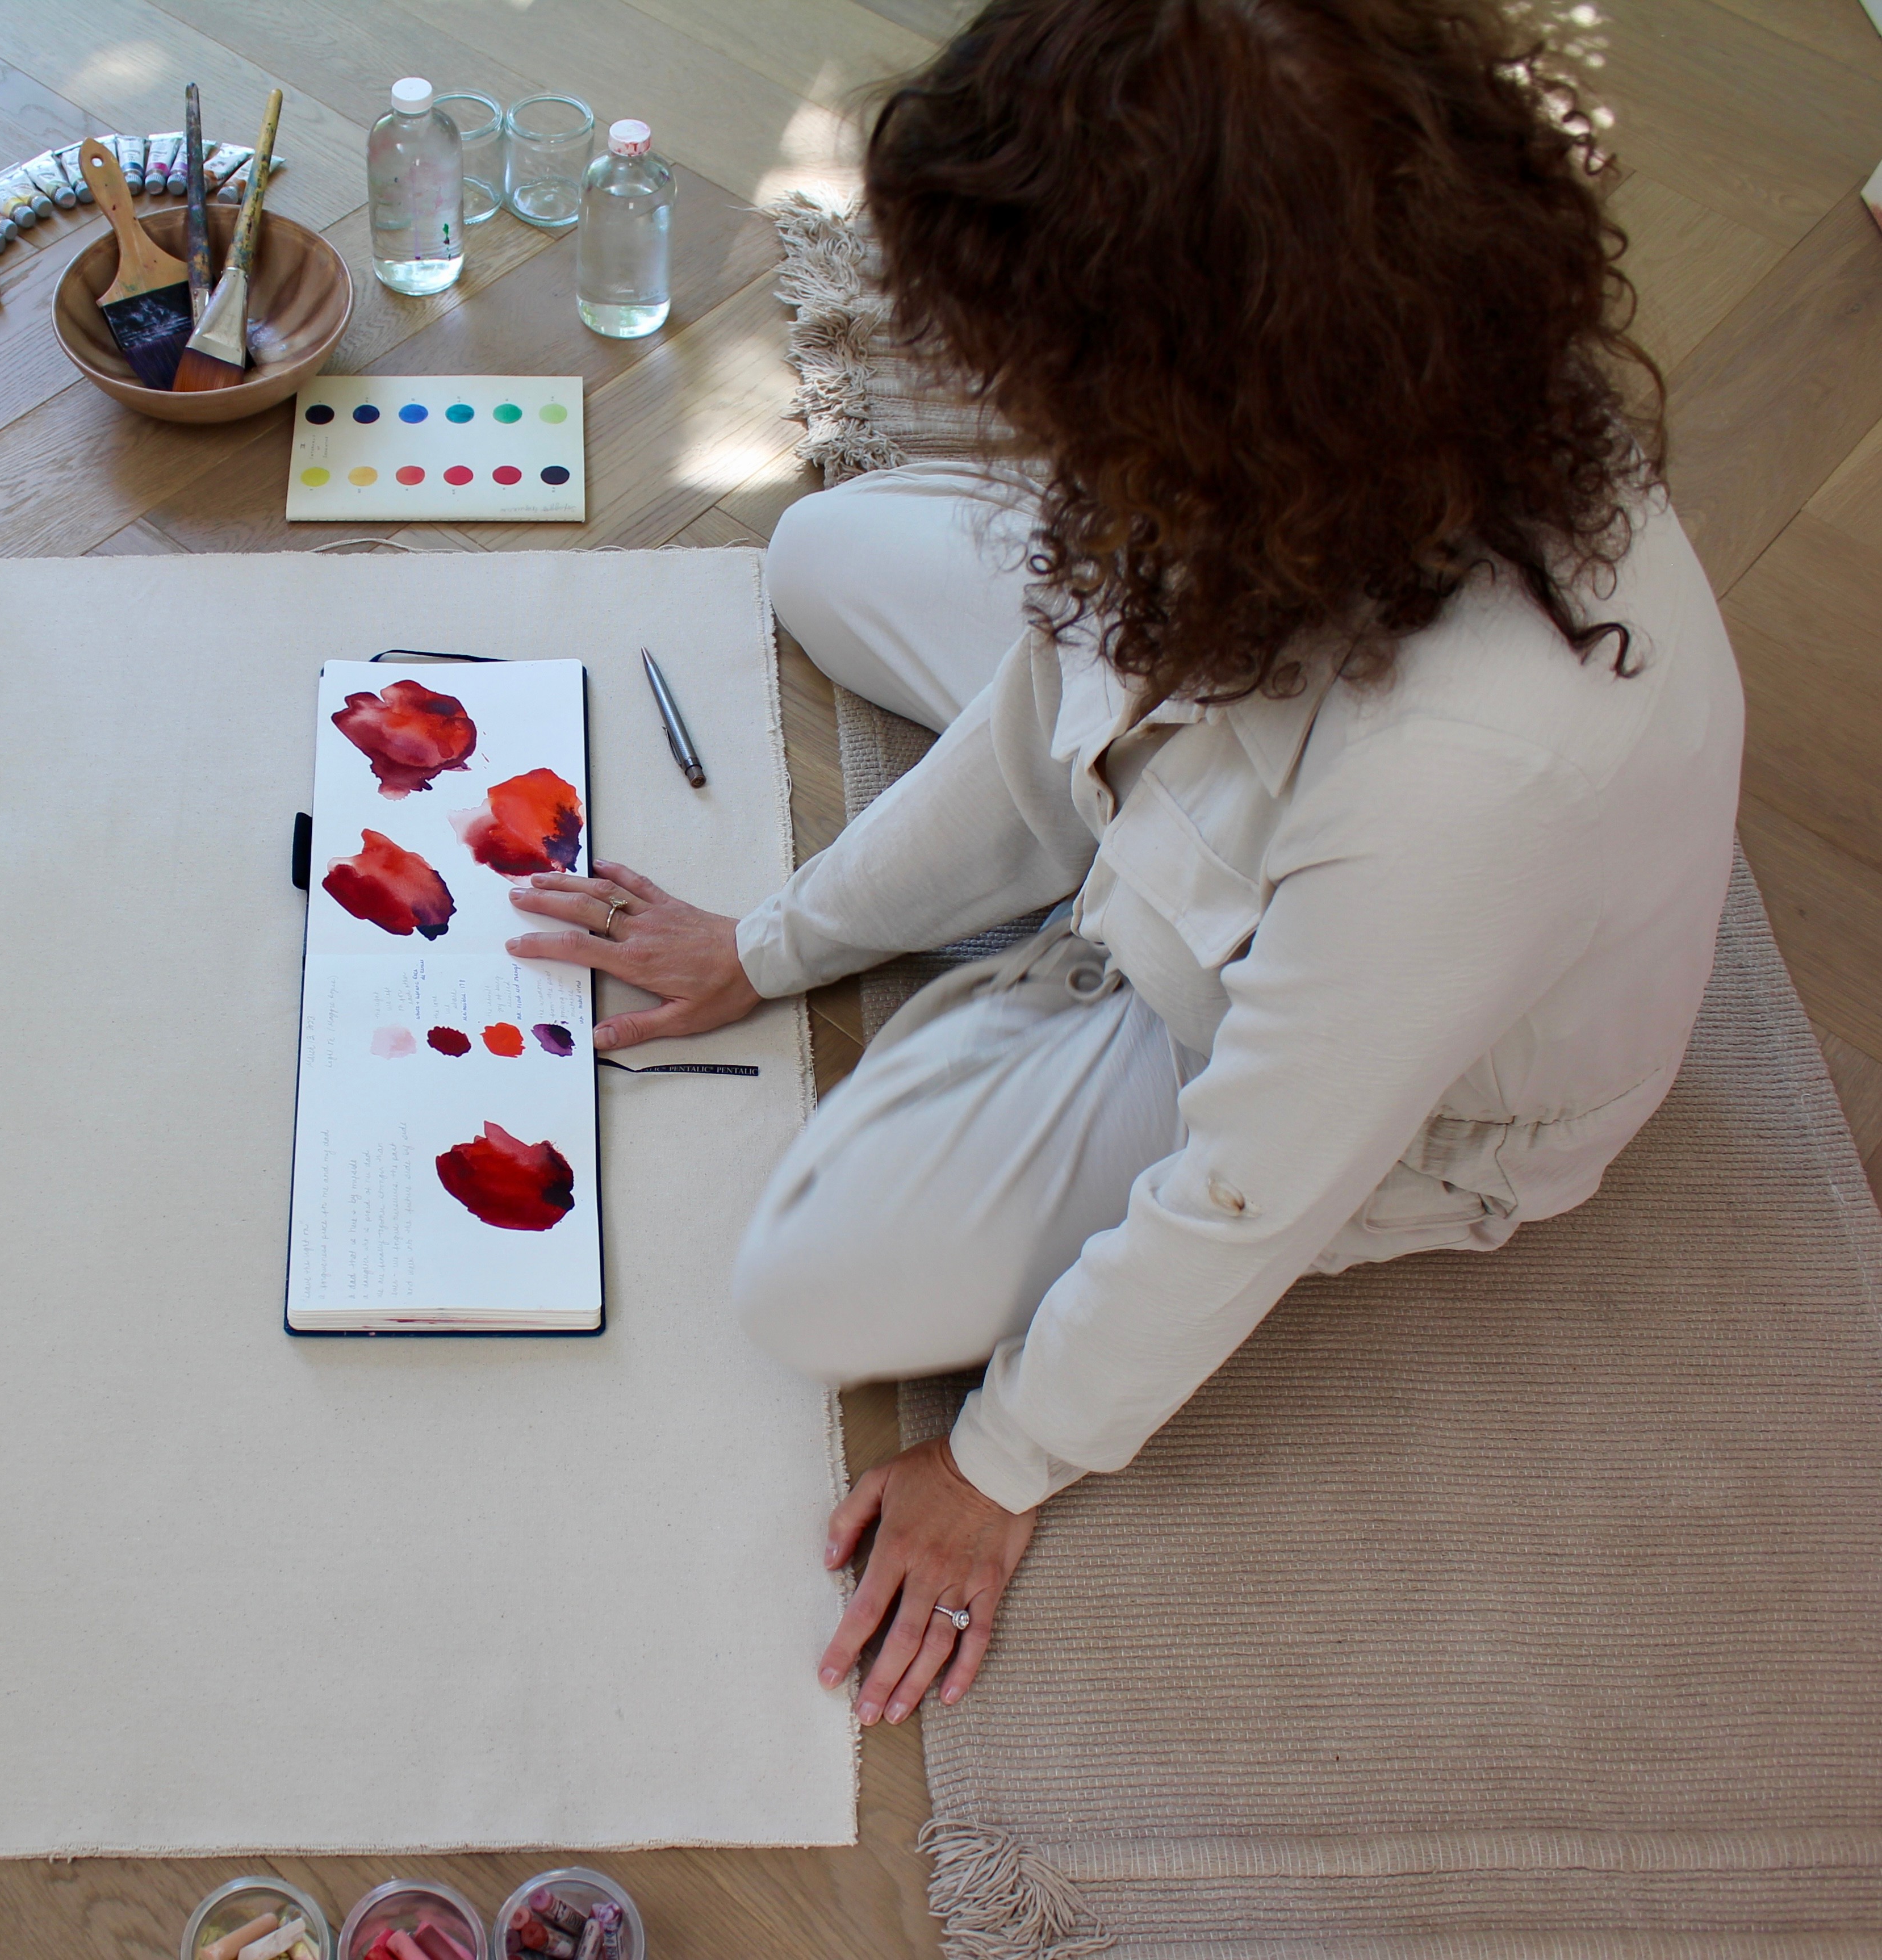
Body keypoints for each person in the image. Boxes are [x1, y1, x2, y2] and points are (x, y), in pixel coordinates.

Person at [507, 0, 1742, 1731]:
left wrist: (999, 1461)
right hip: (1279, 695)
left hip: (1369, 1047)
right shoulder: (1330, 435)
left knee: (811, 1277)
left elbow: (1255, 1185)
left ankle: (1079, 959)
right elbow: (1045, 714)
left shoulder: (1465, 781)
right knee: (826, 555)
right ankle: (1083, 910)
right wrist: (774, 942)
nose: (1013, 411)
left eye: (1052, 387)